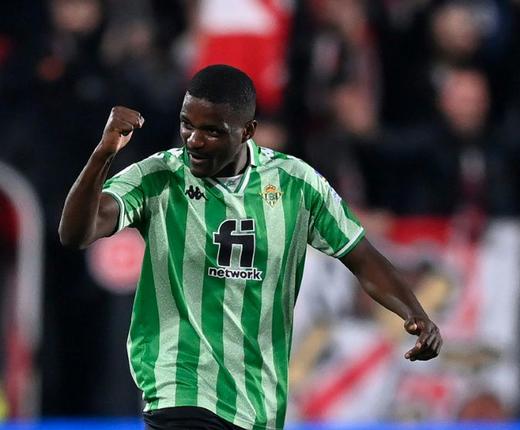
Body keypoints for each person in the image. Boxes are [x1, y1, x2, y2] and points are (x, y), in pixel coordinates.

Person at [58, 64, 442, 430]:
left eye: (211, 130)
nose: (193, 139)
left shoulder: (296, 184)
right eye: (186, 124)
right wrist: (102, 154)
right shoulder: (159, 176)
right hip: (178, 386)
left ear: (247, 130)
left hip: (258, 399)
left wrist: (415, 312)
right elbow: (76, 233)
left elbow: (360, 256)